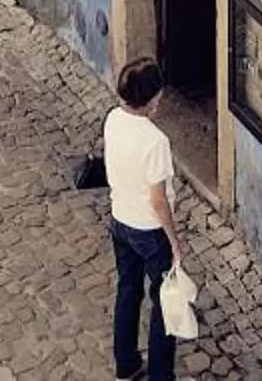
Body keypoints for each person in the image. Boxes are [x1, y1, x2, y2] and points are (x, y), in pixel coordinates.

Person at [104, 60, 183, 381]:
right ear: (153, 98)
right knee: (164, 304)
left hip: (120, 218)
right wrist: (175, 243)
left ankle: (126, 363)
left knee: (128, 290)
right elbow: (158, 201)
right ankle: (161, 376)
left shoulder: (113, 120)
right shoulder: (155, 142)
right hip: (150, 232)